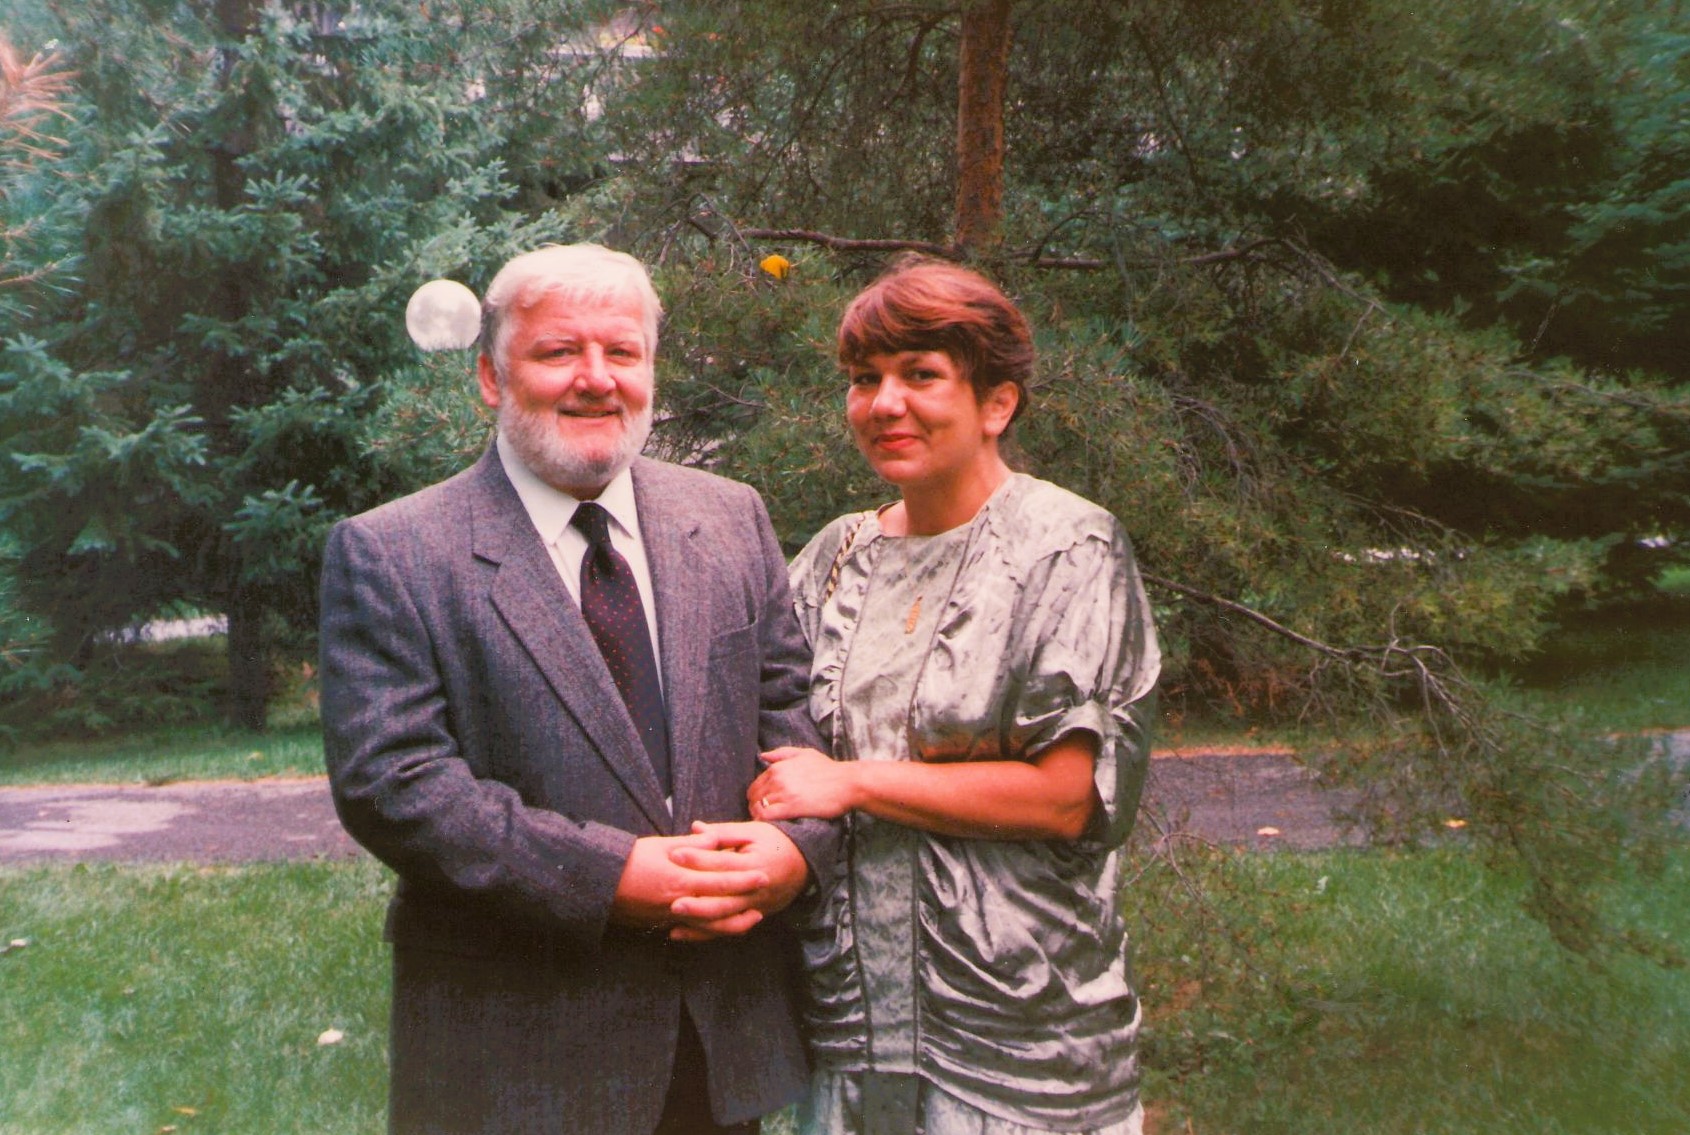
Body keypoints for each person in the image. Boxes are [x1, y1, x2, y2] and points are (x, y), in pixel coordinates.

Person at [319, 243, 840, 1135]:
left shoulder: (730, 517)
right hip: (516, 1057)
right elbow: (396, 785)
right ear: (491, 377)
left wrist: (793, 855)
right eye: (559, 351)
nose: (597, 378)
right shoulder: (394, 552)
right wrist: (613, 877)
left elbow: (795, 722)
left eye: (622, 351)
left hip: (715, 1040)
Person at [748, 259, 1161, 1135]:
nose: (884, 403)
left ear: (996, 403)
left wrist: (852, 782)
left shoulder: (1066, 548)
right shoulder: (834, 556)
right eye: (865, 378)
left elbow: (1067, 797)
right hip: (853, 1032)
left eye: (921, 374)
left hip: (1020, 1042)